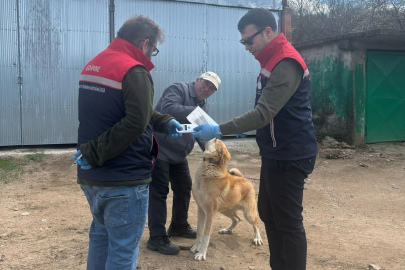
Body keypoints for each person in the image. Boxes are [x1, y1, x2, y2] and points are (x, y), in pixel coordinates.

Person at [192, 8, 318, 270]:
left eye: (249, 40)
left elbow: (263, 113)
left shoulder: (286, 62)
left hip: (291, 154)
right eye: (243, 41)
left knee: (288, 222)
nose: (246, 46)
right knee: (269, 215)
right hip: (274, 152)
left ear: (268, 32)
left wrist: (217, 129)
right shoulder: (270, 61)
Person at [71, 15, 183, 270]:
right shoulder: (134, 70)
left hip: (92, 178)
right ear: (145, 44)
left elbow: (125, 109)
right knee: (122, 252)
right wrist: (94, 153)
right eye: (154, 49)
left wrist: (164, 121)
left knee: (100, 239)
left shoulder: (94, 64)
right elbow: (135, 121)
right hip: (123, 179)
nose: (152, 55)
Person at [146, 72, 221, 255]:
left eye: (212, 88)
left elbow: (201, 134)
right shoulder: (178, 89)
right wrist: (198, 114)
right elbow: (169, 108)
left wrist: (212, 153)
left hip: (179, 156)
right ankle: (156, 237)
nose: (207, 89)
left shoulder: (202, 105)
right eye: (206, 84)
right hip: (160, 150)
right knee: (159, 192)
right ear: (197, 80)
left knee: (185, 188)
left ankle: (179, 226)